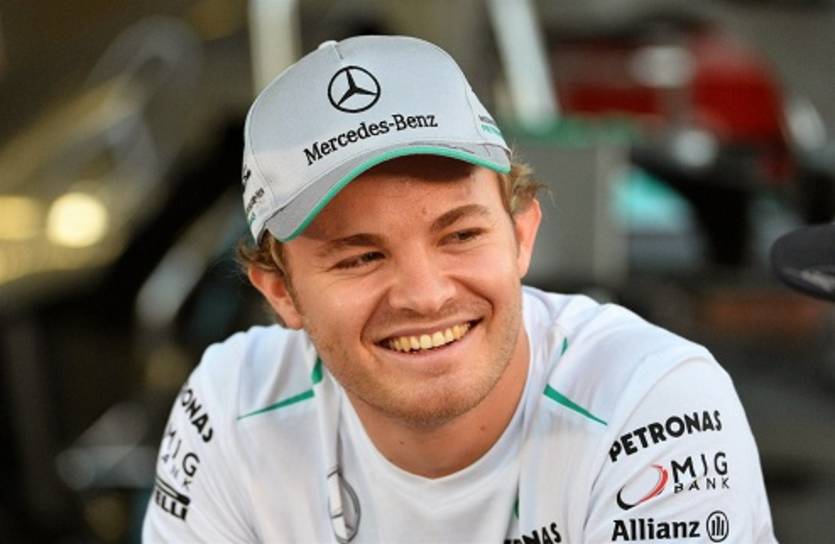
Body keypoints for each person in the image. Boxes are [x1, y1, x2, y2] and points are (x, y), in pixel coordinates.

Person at [143, 35, 777, 543]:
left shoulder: (650, 402)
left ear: (521, 235)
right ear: (280, 293)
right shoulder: (231, 404)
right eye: (361, 257)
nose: (424, 295)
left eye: (460, 235)